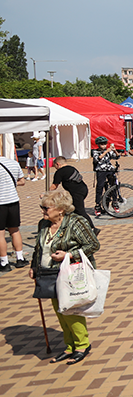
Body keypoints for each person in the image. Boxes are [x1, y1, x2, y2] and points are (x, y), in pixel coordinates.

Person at [30, 189, 100, 364]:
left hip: (71, 273)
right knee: (60, 311)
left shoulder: (76, 222)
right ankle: (69, 346)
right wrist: (34, 266)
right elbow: (38, 247)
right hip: (49, 274)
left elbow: (93, 244)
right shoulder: (43, 224)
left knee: (71, 309)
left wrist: (69, 255)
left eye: (46, 208)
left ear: (60, 209)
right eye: (42, 207)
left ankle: (82, 344)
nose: (43, 211)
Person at [50, 157, 98, 234]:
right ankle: (71, 229)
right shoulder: (72, 168)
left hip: (76, 193)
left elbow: (54, 186)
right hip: (83, 189)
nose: (55, 168)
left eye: (54, 166)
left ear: (58, 164)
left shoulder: (60, 172)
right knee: (70, 210)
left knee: (80, 211)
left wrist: (46, 194)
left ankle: (92, 228)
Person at [0, 152, 27, 272]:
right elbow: (22, 181)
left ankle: (4, 262)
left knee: (0, 234)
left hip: (0, 202)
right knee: (14, 230)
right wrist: (9, 184)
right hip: (13, 200)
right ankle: (20, 258)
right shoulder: (13, 163)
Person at [91, 136, 118, 217]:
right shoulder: (95, 151)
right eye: (102, 144)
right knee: (100, 187)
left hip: (109, 169)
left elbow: (117, 157)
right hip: (100, 170)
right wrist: (106, 152)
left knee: (113, 186)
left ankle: (114, 202)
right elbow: (97, 159)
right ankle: (97, 205)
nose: (104, 145)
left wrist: (115, 151)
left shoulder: (109, 151)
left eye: (105, 144)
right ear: (98, 145)